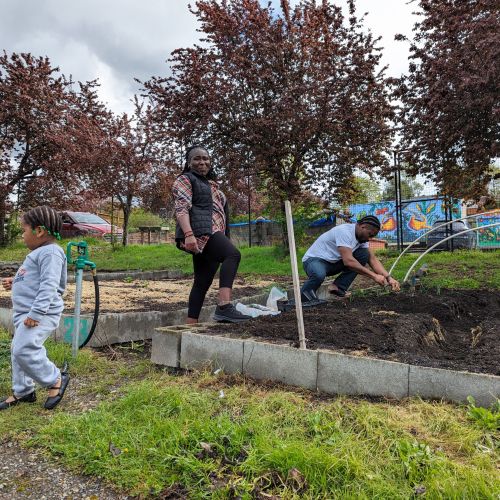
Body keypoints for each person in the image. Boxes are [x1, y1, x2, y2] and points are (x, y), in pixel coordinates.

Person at [0, 206, 70, 411]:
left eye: (24, 230)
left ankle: (55, 378)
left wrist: (36, 313)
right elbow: (35, 279)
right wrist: (16, 281)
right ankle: (23, 391)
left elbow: (49, 285)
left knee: (24, 348)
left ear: (39, 231)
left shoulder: (51, 253)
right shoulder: (41, 252)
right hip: (27, 313)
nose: (22, 235)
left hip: (40, 314)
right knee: (17, 350)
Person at [173, 145, 251, 323]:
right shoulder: (186, 179)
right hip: (202, 232)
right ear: (188, 162)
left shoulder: (213, 186)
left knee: (202, 281)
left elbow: (221, 215)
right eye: (197, 158)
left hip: (214, 232)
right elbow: (181, 209)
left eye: (205, 158)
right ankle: (224, 307)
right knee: (233, 254)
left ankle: (190, 324)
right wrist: (189, 234)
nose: (202, 162)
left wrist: (225, 238)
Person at [300, 215, 400, 300]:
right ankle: (304, 298)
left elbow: (373, 260)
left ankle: (338, 287)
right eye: (370, 235)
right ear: (363, 227)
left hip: (333, 263)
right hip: (314, 261)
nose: (369, 239)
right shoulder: (344, 231)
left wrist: (389, 278)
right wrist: (374, 276)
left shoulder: (361, 239)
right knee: (318, 274)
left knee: (364, 254)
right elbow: (348, 261)